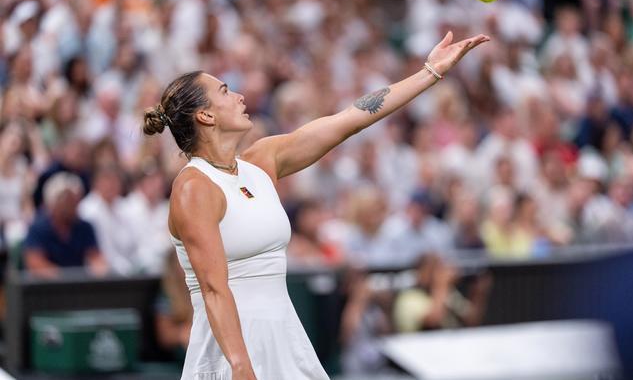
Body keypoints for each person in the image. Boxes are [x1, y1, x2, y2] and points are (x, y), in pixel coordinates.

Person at [142, 30, 489, 380]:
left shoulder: (262, 161)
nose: (239, 96)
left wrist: (430, 72)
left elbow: (352, 118)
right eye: (225, 91)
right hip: (230, 354)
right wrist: (240, 364)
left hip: (284, 340)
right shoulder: (194, 187)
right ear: (206, 116)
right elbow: (214, 289)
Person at [22, 172, 108, 278]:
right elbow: (35, 262)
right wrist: (63, 277)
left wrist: (98, 270)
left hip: (78, 284)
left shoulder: (85, 227)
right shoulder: (38, 228)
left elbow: (96, 257)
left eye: (76, 200)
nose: (73, 205)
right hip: (46, 286)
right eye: (68, 201)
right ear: (53, 202)